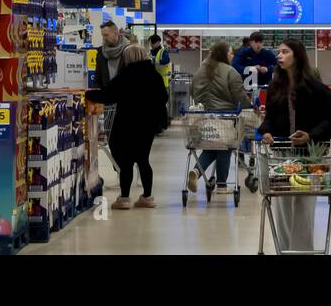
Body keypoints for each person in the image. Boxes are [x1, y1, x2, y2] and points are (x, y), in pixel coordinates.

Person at [259, 40, 331, 251]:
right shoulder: (275, 88)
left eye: (285, 52)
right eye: (278, 52)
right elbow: (269, 118)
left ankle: (303, 250)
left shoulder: (315, 88)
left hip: (312, 156)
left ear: (296, 56)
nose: (279, 56)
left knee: (305, 206)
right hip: (281, 156)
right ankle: (285, 249)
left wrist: (311, 135)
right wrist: (267, 131)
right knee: (283, 206)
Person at [85, 44, 169, 209]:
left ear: (128, 58)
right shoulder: (155, 76)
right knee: (143, 160)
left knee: (126, 162)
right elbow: (163, 97)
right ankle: (147, 197)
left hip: (126, 124)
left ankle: (124, 198)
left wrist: (87, 94)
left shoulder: (125, 75)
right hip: (148, 125)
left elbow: (108, 95)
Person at [186, 42, 251, 193]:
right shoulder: (230, 71)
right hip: (224, 117)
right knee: (225, 147)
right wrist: (251, 106)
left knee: (211, 148)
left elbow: (192, 91)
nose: (233, 55)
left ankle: (196, 172)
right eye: (230, 53)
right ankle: (222, 185)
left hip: (202, 118)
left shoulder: (200, 70)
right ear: (223, 55)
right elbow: (239, 96)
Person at [96, 20, 128, 89]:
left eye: (106, 35)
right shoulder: (100, 52)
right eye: (102, 35)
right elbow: (98, 79)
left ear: (116, 32)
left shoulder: (128, 50)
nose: (104, 38)